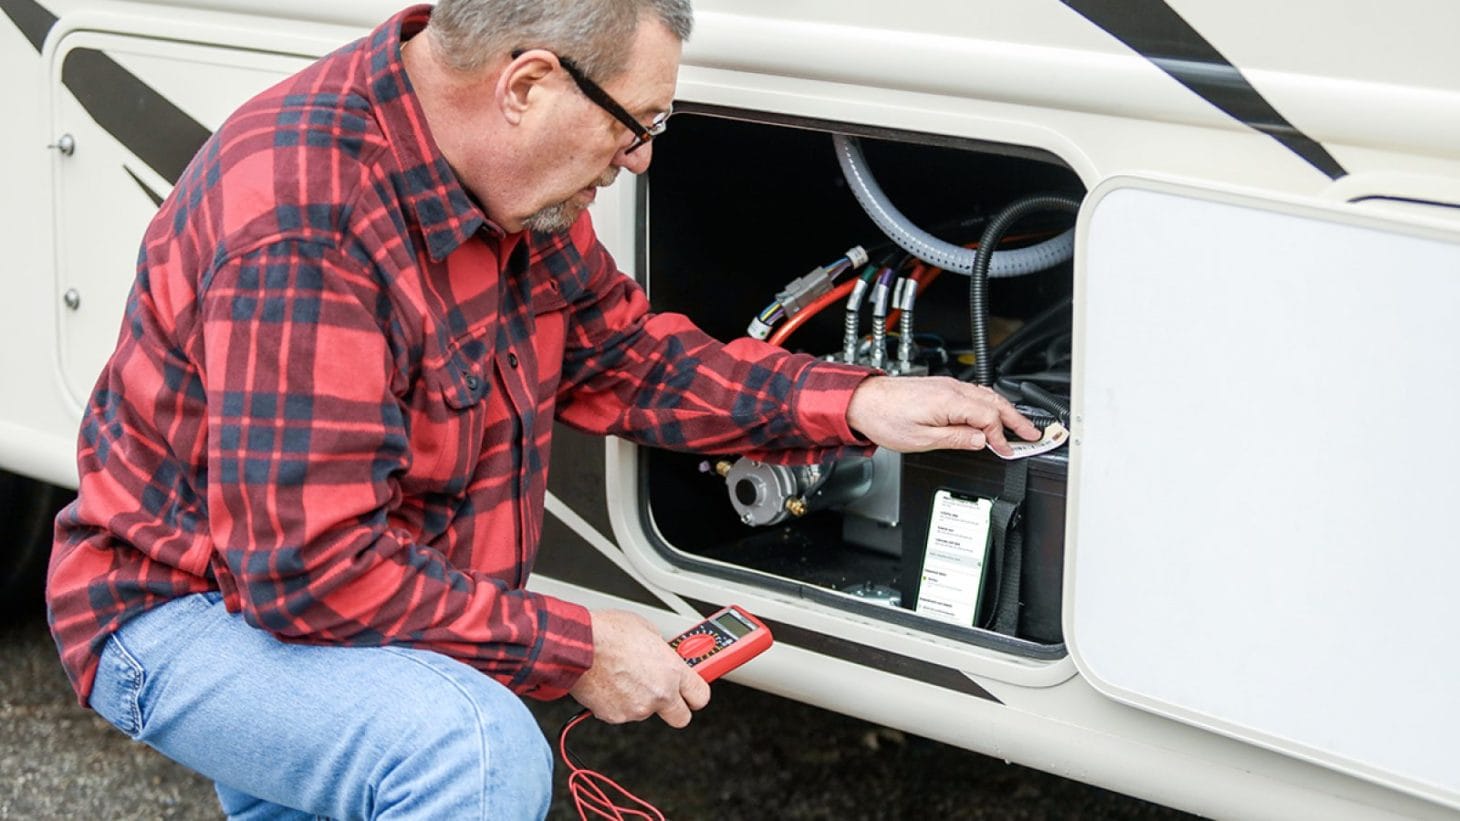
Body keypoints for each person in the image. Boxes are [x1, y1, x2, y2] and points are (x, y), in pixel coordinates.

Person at [47, 1, 1040, 818]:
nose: (640, 156)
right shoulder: (309, 226)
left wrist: (858, 400)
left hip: (326, 599)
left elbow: (625, 359)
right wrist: (575, 647)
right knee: (469, 749)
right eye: (634, 122)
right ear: (523, 86)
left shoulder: (501, 188)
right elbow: (310, 572)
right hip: (185, 611)